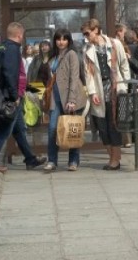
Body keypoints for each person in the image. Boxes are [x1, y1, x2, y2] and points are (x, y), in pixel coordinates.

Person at [0, 22, 47, 172]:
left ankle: (30, 159)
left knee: (19, 129)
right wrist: (14, 96)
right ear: (19, 35)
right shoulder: (12, 49)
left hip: (5, 94)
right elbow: (10, 74)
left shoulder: (1, 47)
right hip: (11, 97)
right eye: (22, 35)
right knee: (4, 130)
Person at [81, 18, 130, 170]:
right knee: (102, 127)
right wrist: (92, 92)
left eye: (87, 33)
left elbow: (124, 65)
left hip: (115, 88)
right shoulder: (87, 49)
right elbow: (87, 74)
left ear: (96, 30)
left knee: (113, 124)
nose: (86, 37)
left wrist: (125, 86)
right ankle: (112, 158)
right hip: (98, 89)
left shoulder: (115, 44)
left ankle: (115, 160)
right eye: (84, 34)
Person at [43, 29, 88, 172]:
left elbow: (74, 77)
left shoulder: (72, 54)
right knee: (52, 129)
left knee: (72, 129)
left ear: (69, 41)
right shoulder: (53, 56)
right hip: (56, 97)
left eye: (64, 39)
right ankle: (52, 161)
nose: (61, 42)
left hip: (71, 96)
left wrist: (72, 100)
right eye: (58, 39)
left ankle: (73, 161)